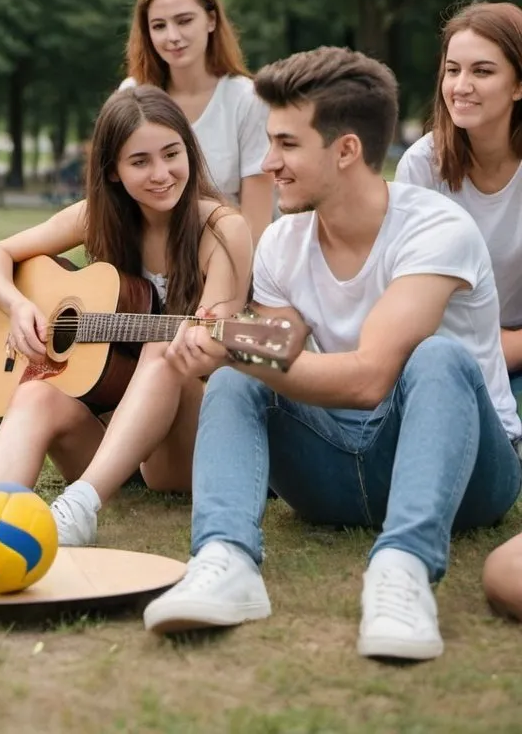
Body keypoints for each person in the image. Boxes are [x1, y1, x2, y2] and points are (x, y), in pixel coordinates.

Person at [141, 47, 521, 662]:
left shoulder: (436, 229)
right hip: (338, 474)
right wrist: (225, 339)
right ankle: (225, 559)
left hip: (469, 476)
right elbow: (281, 349)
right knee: (242, 382)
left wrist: (235, 346)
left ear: (345, 150)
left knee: (437, 358)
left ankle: (402, 571)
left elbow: (371, 378)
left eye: (287, 145)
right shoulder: (282, 244)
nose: (268, 164)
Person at [0, 84, 253, 547]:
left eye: (172, 154)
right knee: (36, 392)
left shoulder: (221, 230)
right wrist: (17, 306)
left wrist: (195, 341)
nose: (161, 174)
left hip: (188, 448)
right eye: (140, 162)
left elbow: (212, 349)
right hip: (111, 444)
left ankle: (78, 510)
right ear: (113, 172)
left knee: (165, 345)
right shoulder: (99, 218)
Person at [394, 2, 522, 403]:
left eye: (481, 71)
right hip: (440, 357)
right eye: (453, 70)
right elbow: (409, 308)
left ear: (519, 84)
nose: (461, 85)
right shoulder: (421, 166)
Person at [121, 0, 272, 245]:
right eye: (159, 26)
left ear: (211, 20)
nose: (173, 37)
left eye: (184, 21)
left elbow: (256, 228)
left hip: (226, 264)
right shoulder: (131, 95)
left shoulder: (247, 100)